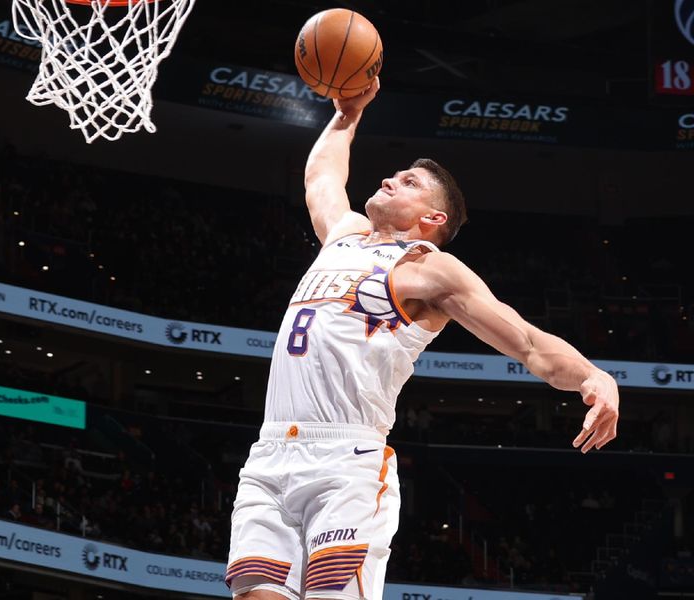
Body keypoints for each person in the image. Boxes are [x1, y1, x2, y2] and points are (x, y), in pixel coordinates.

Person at [225, 78, 619, 600]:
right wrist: (346, 115)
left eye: (408, 182)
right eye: (395, 174)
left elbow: (528, 343)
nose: (390, 179)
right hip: (270, 452)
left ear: (433, 218)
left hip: (346, 460)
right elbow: (320, 176)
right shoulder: (344, 236)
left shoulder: (431, 270)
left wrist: (595, 377)